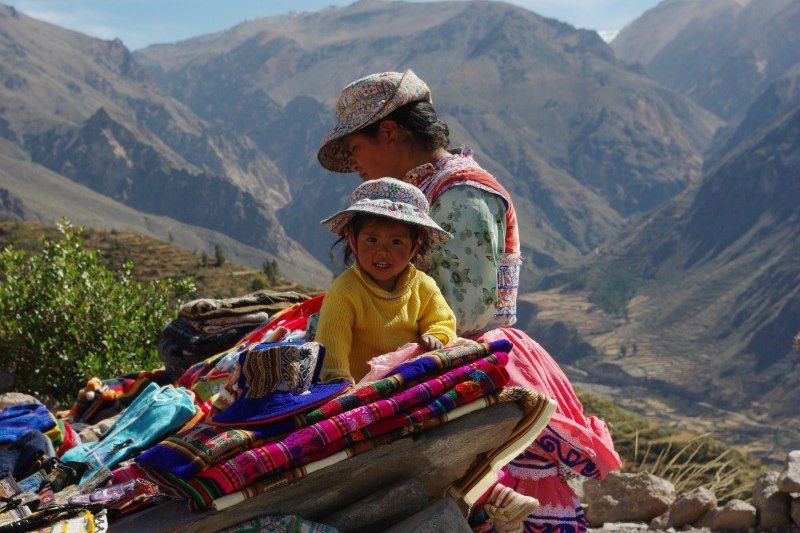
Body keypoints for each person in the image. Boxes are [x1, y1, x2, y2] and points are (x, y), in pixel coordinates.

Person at [318, 70, 622, 532]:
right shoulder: (428, 191)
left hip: (466, 366)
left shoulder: (461, 198)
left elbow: (461, 316)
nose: (356, 164)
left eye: (356, 148)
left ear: (389, 132)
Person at [315, 177, 457, 383]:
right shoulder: (345, 291)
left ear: (415, 247)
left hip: (407, 384)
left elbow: (443, 321)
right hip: (359, 389)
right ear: (353, 240)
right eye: (372, 240)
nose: (383, 252)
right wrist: (341, 385)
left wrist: (437, 336)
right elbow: (331, 349)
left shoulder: (423, 286)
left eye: (396, 242)